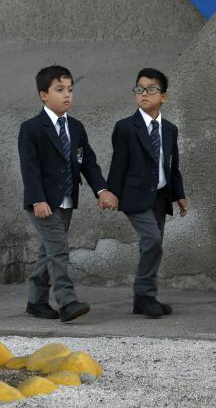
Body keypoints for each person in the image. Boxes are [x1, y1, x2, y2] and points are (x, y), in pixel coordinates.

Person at [18, 65, 118, 322]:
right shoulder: (31, 128)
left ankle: (36, 301)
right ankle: (67, 301)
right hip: (42, 202)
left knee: (49, 251)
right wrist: (38, 199)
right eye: (59, 89)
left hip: (66, 200)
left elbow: (88, 163)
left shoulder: (76, 127)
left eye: (70, 90)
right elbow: (30, 169)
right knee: (59, 248)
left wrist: (102, 190)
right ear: (43, 95)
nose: (67, 95)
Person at [107, 68, 188, 318]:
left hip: (160, 196)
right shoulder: (125, 127)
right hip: (135, 197)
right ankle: (144, 294)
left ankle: (143, 299)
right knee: (152, 241)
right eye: (139, 89)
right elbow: (118, 164)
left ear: (163, 96)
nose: (144, 93)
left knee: (152, 246)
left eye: (151, 89)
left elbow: (172, 166)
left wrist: (179, 195)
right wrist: (111, 192)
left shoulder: (170, 129)